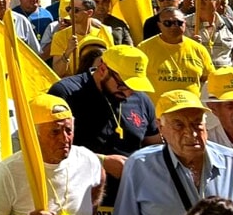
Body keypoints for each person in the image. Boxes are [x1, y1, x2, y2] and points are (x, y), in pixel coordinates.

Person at [49, 46, 161, 204]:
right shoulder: (66, 93)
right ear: (103, 68)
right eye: (123, 84)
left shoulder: (142, 100)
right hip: (77, 197)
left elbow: (155, 147)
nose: (128, 93)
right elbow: (48, 148)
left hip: (127, 200)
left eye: (134, 87)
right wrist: (101, 161)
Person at [138, 5, 214, 102]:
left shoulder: (199, 49)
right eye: (167, 23)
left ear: (185, 24)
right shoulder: (144, 48)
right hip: (157, 113)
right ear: (159, 25)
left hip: (191, 110)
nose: (174, 26)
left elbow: (208, 79)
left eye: (179, 22)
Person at [46, 0, 110, 77]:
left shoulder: (104, 32)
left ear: (89, 13)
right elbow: (57, 72)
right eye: (69, 9)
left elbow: (112, 65)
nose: (70, 13)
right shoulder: (60, 36)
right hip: (72, 86)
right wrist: (68, 52)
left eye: (76, 10)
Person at [187, 0, 233, 68]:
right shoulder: (182, 25)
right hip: (197, 80)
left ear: (217, 3)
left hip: (224, 79)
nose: (200, 2)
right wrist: (187, 47)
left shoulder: (230, 26)